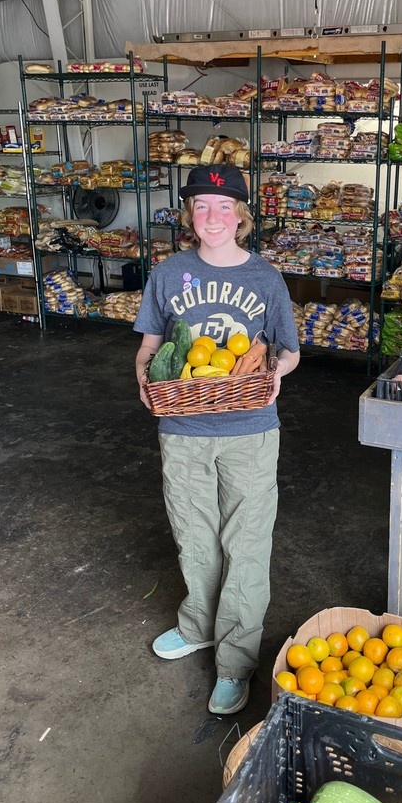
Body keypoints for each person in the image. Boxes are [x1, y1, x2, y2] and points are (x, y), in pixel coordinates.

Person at [134, 163, 300, 716]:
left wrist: (275, 374)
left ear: (241, 216)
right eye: (201, 206)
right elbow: (151, 344)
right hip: (181, 429)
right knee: (195, 537)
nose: (212, 216)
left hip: (250, 432)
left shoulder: (266, 277)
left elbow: (289, 350)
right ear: (189, 216)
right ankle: (198, 627)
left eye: (223, 206)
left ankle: (236, 662)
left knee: (246, 544)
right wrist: (144, 376)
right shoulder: (168, 273)